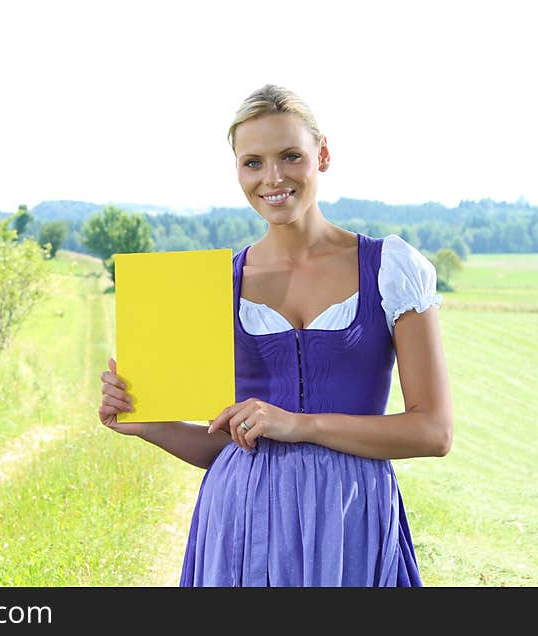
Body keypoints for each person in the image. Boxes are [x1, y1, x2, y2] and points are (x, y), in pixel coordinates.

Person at [98, 83, 453, 587]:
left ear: (322, 155)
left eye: (290, 156)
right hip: (239, 524)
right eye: (253, 162)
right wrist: (145, 422)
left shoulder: (391, 267)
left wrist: (300, 424)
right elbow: (223, 447)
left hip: (349, 518)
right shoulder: (209, 285)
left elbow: (434, 432)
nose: (273, 178)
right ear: (238, 170)